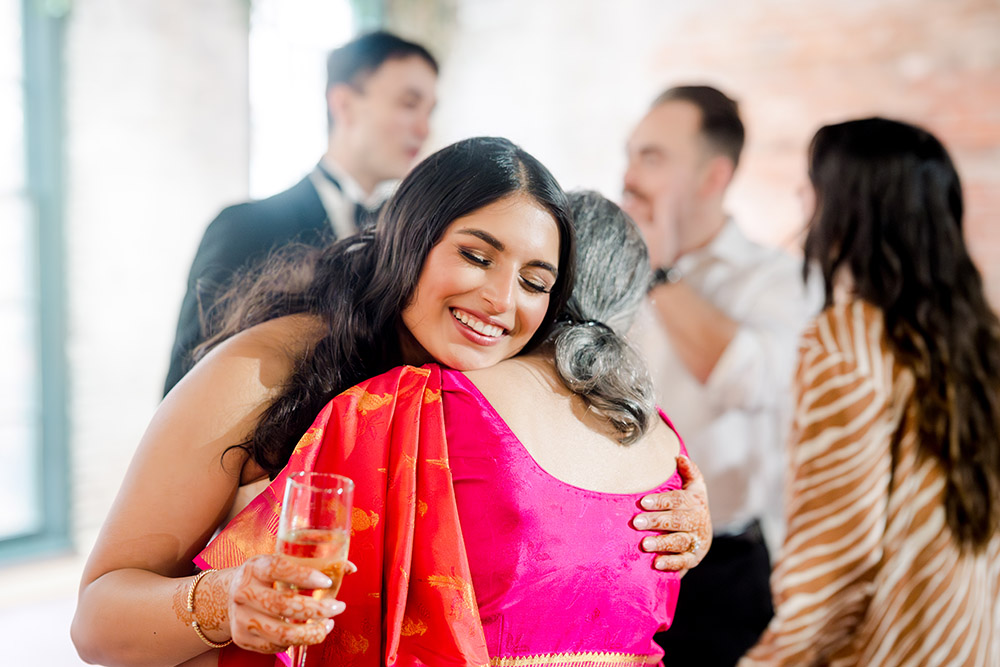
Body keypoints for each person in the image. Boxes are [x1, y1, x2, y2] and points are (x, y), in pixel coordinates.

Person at [72, 138, 710, 667]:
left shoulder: (473, 400)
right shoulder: (261, 369)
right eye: (475, 255)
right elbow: (96, 619)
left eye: (534, 282)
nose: (500, 299)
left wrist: (681, 514)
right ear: (411, 238)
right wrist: (227, 600)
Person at [740, 118, 1000, 666]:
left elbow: (837, 554)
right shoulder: (983, 341)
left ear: (849, 207)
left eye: (811, 184)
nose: (800, 199)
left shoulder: (846, 340)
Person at [621, 84, 822, 665]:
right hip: (623, 552)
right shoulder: (614, 262)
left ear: (714, 178)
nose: (629, 176)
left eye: (652, 158)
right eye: (631, 154)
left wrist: (660, 274)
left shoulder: (777, 279)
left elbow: (747, 379)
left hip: (723, 571)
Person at [163, 30, 438, 394]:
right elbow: (186, 385)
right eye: (408, 104)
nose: (424, 129)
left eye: (430, 111)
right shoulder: (245, 228)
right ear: (344, 104)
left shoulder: (415, 239)